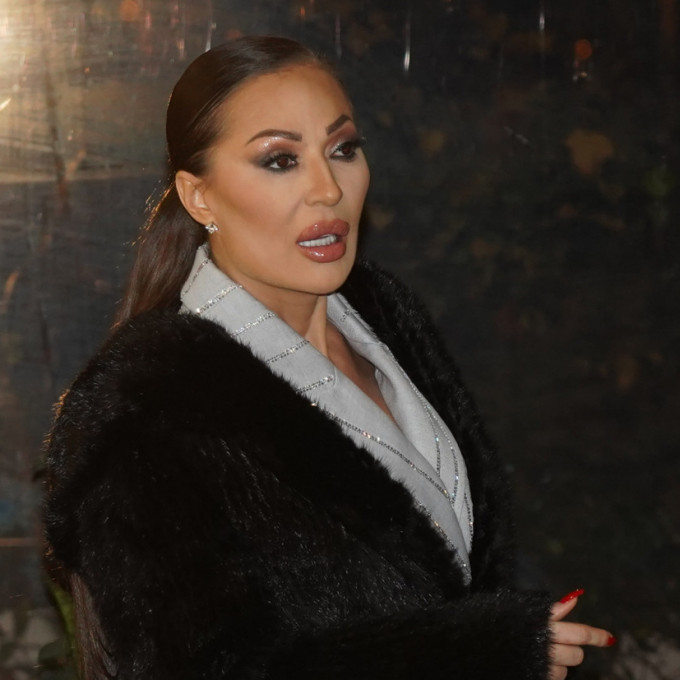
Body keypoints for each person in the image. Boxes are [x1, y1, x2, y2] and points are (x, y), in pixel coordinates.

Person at [43, 36, 615, 680]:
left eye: (342, 149)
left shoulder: (386, 318)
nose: (328, 189)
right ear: (199, 197)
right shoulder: (146, 406)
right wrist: (481, 653)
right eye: (280, 160)